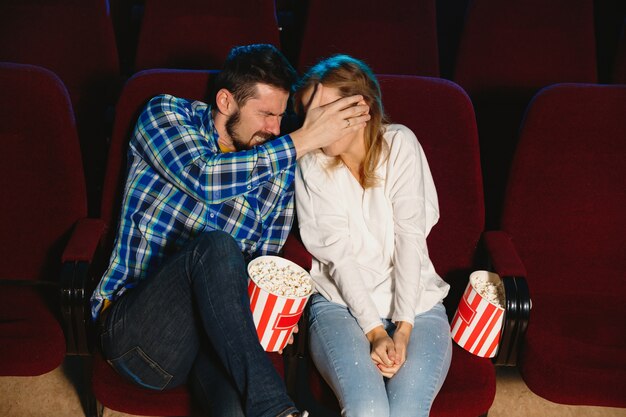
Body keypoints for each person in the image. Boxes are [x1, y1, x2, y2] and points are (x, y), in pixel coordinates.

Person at [90, 44, 370, 417]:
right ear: (226, 101)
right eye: (266, 114)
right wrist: (303, 140)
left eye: (281, 117)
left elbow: (262, 264)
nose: (275, 128)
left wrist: (274, 314)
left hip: (213, 337)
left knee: (236, 406)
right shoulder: (165, 115)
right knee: (218, 247)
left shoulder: (278, 165)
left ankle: (273, 410)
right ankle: (276, 407)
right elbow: (205, 178)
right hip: (138, 337)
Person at [294, 55, 452, 417]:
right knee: (368, 409)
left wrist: (403, 330)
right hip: (339, 306)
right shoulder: (310, 163)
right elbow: (339, 258)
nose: (311, 127)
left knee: (407, 410)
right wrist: (374, 332)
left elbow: (410, 240)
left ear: (360, 108)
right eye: (306, 114)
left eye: (321, 111)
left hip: (418, 306)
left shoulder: (400, 144)